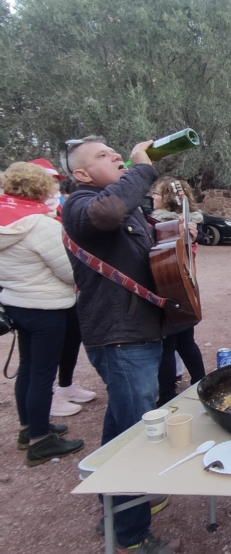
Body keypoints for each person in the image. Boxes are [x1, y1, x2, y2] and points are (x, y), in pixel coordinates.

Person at [61, 135, 192, 554]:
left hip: (135, 333)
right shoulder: (83, 206)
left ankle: (115, 507)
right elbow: (110, 211)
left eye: (115, 152)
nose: (116, 155)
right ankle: (132, 537)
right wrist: (142, 166)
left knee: (121, 426)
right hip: (120, 338)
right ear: (81, 174)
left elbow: (150, 256)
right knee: (140, 434)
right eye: (104, 155)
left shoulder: (123, 208)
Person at [0, 162, 85, 466]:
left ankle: (28, 428)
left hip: (17, 303)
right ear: (40, 187)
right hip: (48, 307)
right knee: (42, 374)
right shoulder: (40, 224)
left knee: (28, 368)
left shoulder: (5, 218)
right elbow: (68, 271)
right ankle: (40, 440)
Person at [27, 159, 97, 417]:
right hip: (46, 298)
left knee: (69, 342)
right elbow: (66, 268)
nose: (54, 187)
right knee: (40, 364)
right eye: (50, 182)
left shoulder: (55, 211)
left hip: (61, 297)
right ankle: (39, 422)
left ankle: (65, 386)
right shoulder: (38, 222)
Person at [148, 177, 207, 406]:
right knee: (185, 340)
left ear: (168, 198)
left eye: (157, 194)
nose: (153, 197)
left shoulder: (162, 225)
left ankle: (166, 395)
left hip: (167, 285)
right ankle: (200, 381)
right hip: (184, 283)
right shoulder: (186, 222)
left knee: (168, 345)